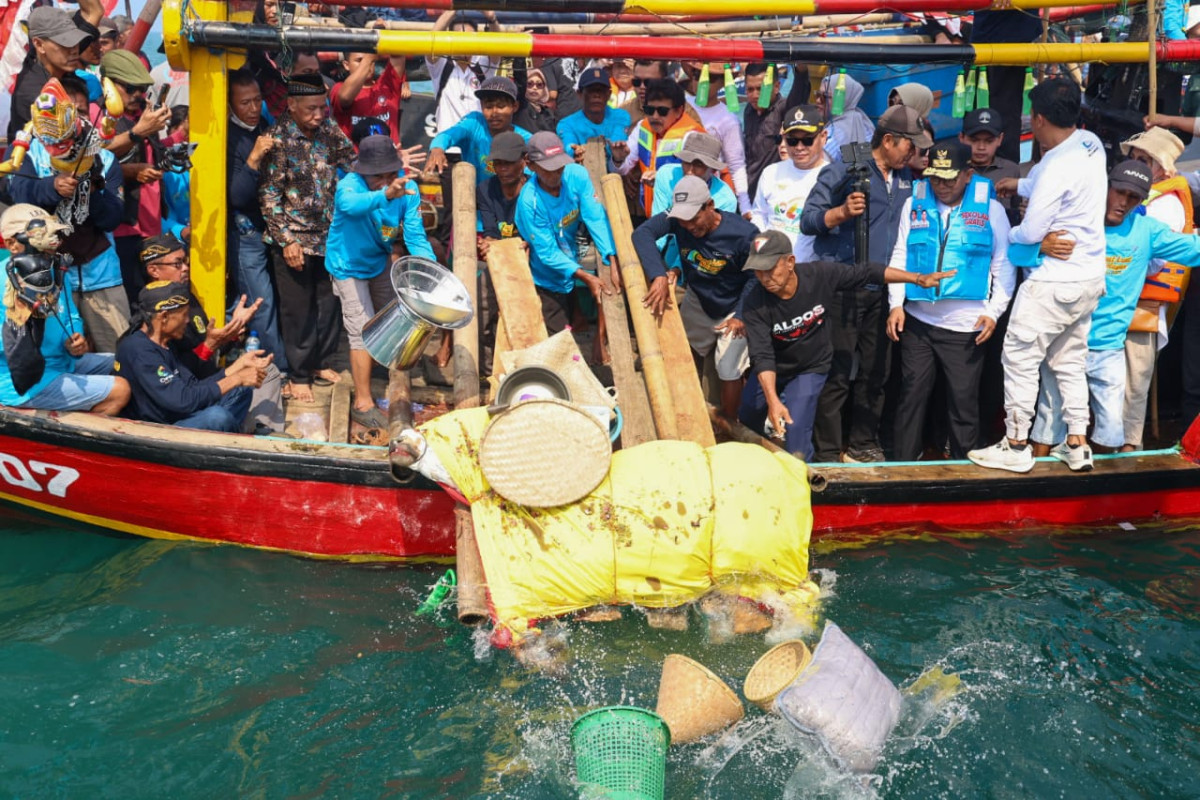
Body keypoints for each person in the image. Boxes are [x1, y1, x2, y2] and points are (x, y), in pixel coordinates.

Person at [968, 78, 1108, 473]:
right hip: (1089, 278)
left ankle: (1015, 444)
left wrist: (1013, 235)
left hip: (1052, 281)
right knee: (1069, 359)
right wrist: (1021, 182)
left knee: (1020, 357)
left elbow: (1028, 233)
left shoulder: (1056, 167)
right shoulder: (1089, 143)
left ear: (1041, 120)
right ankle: (1077, 443)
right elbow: (1050, 181)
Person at [1026, 161, 1200, 463]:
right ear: (1105, 187)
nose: (1122, 203)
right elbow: (1015, 252)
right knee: (1048, 422)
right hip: (1062, 342)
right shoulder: (1075, 220)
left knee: (1111, 432)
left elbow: (1194, 248)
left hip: (1107, 347)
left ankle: (1105, 495)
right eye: (1118, 192)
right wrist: (1038, 247)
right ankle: (1033, 488)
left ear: (1142, 200)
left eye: (1133, 197)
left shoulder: (1147, 230)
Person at [739, 229, 953, 460]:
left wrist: (918, 279)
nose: (764, 277)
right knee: (748, 415)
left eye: (770, 268)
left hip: (810, 366)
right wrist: (772, 400)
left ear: (790, 262)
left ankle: (805, 482)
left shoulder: (819, 274)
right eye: (758, 271)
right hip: (774, 368)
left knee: (796, 430)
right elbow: (763, 356)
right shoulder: (754, 304)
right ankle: (753, 464)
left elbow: (868, 272)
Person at [800, 104, 932, 463]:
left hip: (884, 292)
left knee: (877, 373)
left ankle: (862, 444)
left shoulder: (908, 179)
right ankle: (828, 451)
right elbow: (808, 220)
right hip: (842, 289)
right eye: (909, 145)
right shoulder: (846, 166)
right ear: (888, 140)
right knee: (837, 373)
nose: (915, 152)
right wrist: (840, 213)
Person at [884, 142, 1015, 460]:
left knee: (963, 402)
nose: (941, 186)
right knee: (911, 396)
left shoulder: (991, 211)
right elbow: (901, 252)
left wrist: (994, 313)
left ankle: (963, 466)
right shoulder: (914, 204)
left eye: (949, 179)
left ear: (968, 175)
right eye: (935, 179)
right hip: (918, 321)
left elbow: (1005, 267)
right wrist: (896, 304)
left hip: (965, 327)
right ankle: (903, 466)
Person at [9, 78, 128, 354]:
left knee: (119, 356)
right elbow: (17, 193)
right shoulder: (31, 150)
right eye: (69, 111)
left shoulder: (103, 158)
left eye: (82, 111)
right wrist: (52, 187)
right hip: (45, 280)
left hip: (102, 278)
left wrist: (91, 185)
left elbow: (112, 217)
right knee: (57, 362)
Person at [258, 73, 357, 404]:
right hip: (294, 239)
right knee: (297, 311)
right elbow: (269, 197)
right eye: (311, 109)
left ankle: (320, 363)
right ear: (292, 105)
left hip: (329, 237)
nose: (318, 115)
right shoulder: (277, 139)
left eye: (322, 108)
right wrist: (287, 241)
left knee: (329, 304)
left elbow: (352, 162)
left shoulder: (329, 130)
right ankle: (299, 375)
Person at [327, 136, 435, 430]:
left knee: (391, 317)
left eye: (389, 174)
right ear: (364, 171)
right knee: (361, 328)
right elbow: (349, 206)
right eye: (378, 176)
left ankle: (385, 374)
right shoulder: (350, 185)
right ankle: (363, 402)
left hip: (378, 259)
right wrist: (385, 195)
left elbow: (414, 236)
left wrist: (431, 268)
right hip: (346, 264)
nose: (385, 181)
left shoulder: (408, 189)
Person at [632, 175, 759, 418]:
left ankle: (729, 426)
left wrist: (742, 314)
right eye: (683, 220)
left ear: (710, 205)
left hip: (735, 304)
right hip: (699, 296)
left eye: (694, 218)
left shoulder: (744, 234)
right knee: (682, 352)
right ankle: (683, 411)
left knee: (728, 367)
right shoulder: (679, 220)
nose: (689, 225)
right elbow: (642, 233)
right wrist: (658, 273)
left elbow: (756, 277)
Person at [0, 204, 129, 415]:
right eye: (39, 237)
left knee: (128, 361)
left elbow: (71, 317)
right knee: (120, 390)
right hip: (22, 383)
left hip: (62, 362)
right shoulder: (4, 280)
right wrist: (20, 323)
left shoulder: (56, 271)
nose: (53, 244)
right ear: (13, 244)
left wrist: (74, 341)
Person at [115, 281, 271, 432]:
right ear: (164, 317)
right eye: (184, 315)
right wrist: (236, 378)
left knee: (241, 391)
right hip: (159, 428)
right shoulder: (139, 351)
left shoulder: (166, 342)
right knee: (217, 417)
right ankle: (232, 433)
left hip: (180, 413)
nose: (188, 320)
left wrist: (237, 368)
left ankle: (229, 432)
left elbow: (193, 385)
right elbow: (183, 400)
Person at [1120, 126, 1193, 448]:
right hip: (1118, 304)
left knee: (1131, 391)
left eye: (1145, 161)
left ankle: (1128, 454)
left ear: (1162, 168)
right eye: (1134, 158)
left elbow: (1151, 260)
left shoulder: (1167, 205)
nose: (1136, 165)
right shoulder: (1136, 196)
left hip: (1141, 309)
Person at [514, 132, 616, 338]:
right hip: (546, 275)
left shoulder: (576, 175)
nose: (556, 174)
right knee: (559, 339)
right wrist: (586, 276)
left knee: (576, 322)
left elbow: (595, 216)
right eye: (548, 169)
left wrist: (611, 257)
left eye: (559, 166)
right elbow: (548, 253)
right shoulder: (529, 202)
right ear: (530, 165)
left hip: (571, 258)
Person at [226, 68, 287, 374]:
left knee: (275, 295)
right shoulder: (229, 137)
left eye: (256, 101)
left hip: (267, 225)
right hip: (244, 229)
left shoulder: (262, 124)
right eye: (244, 103)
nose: (252, 109)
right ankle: (277, 369)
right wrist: (253, 158)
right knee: (260, 302)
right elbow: (236, 196)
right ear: (230, 105)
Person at [101, 49, 171, 306]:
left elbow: (153, 155)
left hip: (150, 223)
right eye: (130, 88)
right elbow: (94, 157)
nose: (137, 96)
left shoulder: (141, 114)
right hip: (124, 225)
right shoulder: (102, 116)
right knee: (133, 298)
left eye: (141, 89)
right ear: (107, 84)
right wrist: (132, 168)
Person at [139, 234, 262, 379]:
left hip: (209, 379)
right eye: (177, 263)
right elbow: (180, 372)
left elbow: (212, 349)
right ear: (154, 270)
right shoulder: (152, 313)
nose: (185, 268)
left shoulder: (187, 296)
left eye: (186, 261)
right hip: (191, 390)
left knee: (267, 369)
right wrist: (211, 346)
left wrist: (234, 329)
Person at [7, 4, 97, 146]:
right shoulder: (37, 96)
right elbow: (65, 152)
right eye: (65, 43)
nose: (74, 50)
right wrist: (134, 134)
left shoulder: (59, 59)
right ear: (39, 44)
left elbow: (94, 11)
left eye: (76, 41)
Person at [749, 105, 829, 264]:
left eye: (807, 140)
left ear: (823, 137)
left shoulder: (831, 176)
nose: (799, 147)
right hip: (772, 266)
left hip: (812, 273)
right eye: (792, 141)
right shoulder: (770, 173)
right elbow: (759, 214)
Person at [474, 132, 528, 367]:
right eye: (498, 164)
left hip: (531, 259)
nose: (503, 169)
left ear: (524, 161)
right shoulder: (485, 189)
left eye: (509, 163)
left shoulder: (533, 190)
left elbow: (535, 238)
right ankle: (489, 368)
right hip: (500, 257)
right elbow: (490, 233)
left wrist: (508, 246)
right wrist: (492, 244)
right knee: (482, 301)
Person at [618, 79, 705, 216]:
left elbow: (703, 179)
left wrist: (663, 177)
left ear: (679, 110)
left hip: (687, 217)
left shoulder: (692, 135)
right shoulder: (642, 127)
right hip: (654, 217)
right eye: (649, 110)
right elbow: (624, 168)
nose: (654, 116)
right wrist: (618, 159)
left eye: (662, 111)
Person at [427, 76, 531, 183]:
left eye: (501, 106)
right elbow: (448, 135)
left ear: (515, 106)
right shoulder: (475, 122)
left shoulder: (526, 140)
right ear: (481, 106)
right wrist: (437, 149)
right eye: (489, 106)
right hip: (472, 196)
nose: (494, 113)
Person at [680, 61, 752, 213]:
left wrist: (745, 207)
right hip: (676, 180)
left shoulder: (729, 119)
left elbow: (736, 165)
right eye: (696, 75)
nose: (701, 82)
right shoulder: (680, 105)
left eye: (709, 78)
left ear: (722, 83)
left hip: (708, 190)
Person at [743, 62, 809, 200]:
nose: (755, 95)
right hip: (750, 194)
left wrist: (801, 68)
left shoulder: (784, 110)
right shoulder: (749, 111)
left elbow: (799, 93)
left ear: (777, 87)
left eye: (761, 89)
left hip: (776, 193)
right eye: (750, 90)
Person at [426, 10, 499, 134]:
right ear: (450, 39)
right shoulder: (441, 64)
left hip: (477, 146)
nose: (464, 42)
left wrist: (492, 18)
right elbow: (431, 40)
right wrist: (454, 8)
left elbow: (498, 44)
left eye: (468, 38)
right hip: (447, 146)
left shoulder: (483, 65)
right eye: (459, 37)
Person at [556, 67, 631, 168]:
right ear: (579, 94)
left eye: (601, 91)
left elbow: (616, 145)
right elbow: (569, 146)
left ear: (608, 94)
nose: (596, 95)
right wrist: (575, 152)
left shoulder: (621, 117)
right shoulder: (566, 124)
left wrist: (615, 152)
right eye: (591, 91)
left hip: (615, 173)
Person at [959, 108, 1021, 226]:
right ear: (961, 138)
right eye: (974, 140)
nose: (981, 147)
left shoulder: (1011, 170)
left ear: (1000, 139)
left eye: (989, 141)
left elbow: (1017, 211)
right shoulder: (954, 170)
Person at [331, 52, 408, 143]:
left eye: (371, 61)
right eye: (359, 60)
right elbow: (345, 97)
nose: (367, 65)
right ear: (346, 65)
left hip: (388, 155)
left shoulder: (387, 86)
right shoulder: (338, 89)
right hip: (357, 156)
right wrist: (368, 58)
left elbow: (398, 54)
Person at [814, 72, 875, 165]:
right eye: (818, 95)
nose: (818, 101)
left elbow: (817, 164)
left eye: (825, 97)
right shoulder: (863, 121)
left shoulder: (835, 133)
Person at [513, 67, 557, 134]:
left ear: (544, 89)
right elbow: (520, 77)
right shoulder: (521, 106)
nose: (534, 88)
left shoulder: (548, 112)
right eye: (530, 84)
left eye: (539, 85)